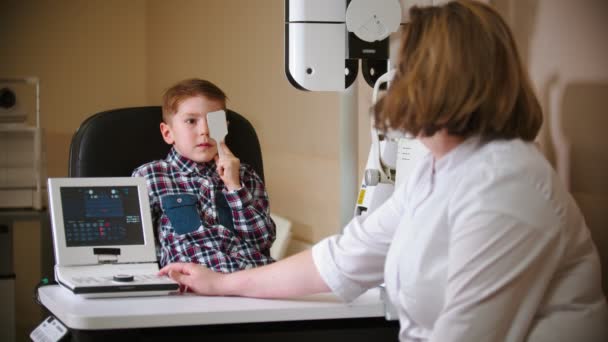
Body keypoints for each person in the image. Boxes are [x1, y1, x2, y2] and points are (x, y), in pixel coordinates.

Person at [159, 2, 608, 341]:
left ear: (437, 83)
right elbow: (340, 259)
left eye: (406, 68)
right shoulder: (440, 170)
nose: (392, 81)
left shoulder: (507, 188)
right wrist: (221, 283)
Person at [133, 78, 276, 273]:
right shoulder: (150, 177)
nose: (205, 131)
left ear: (224, 127)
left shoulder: (245, 176)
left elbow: (261, 242)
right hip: (194, 291)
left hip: (253, 279)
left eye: (213, 121)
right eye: (191, 121)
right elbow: (139, 253)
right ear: (168, 133)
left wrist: (235, 187)